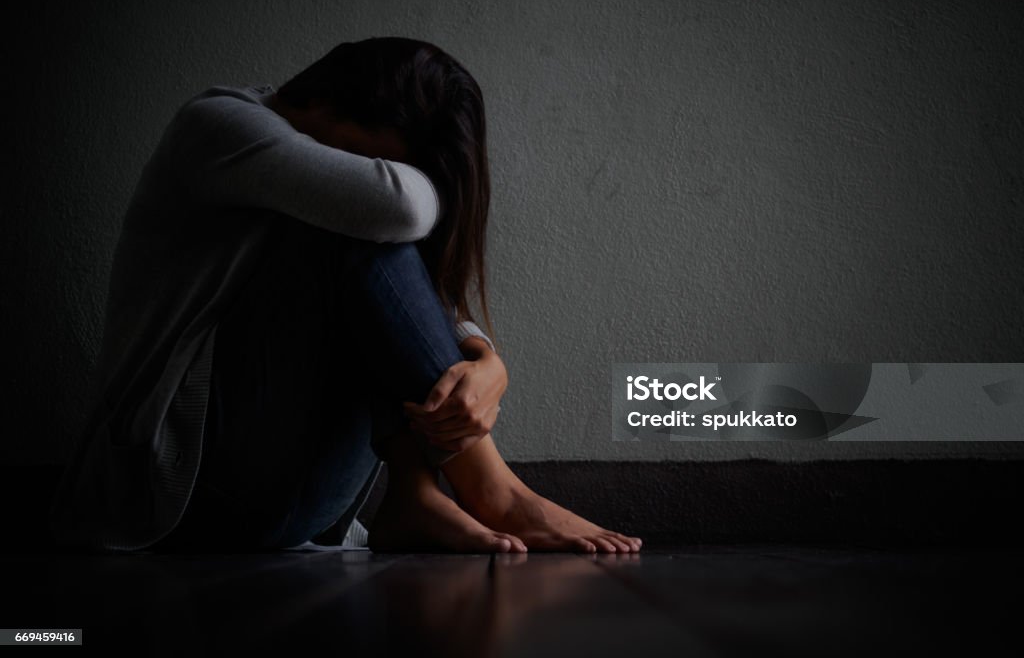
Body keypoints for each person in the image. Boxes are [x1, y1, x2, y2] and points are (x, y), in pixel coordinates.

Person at [50, 37, 642, 555]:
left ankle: (414, 494)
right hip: (174, 491)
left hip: (303, 502)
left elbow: (400, 288)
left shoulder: (308, 165)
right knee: (356, 227)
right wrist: (422, 184)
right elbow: (397, 206)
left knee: (362, 231)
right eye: (376, 160)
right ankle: (492, 488)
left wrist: (485, 356)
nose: (374, 175)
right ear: (329, 103)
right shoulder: (217, 125)